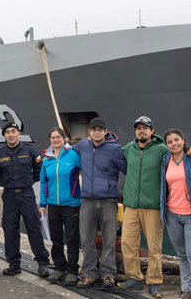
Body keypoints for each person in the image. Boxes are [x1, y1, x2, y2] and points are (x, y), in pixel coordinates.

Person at [120, 116, 191, 297]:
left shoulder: (162, 149)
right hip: (131, 205)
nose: (141, 131)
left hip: (152, 206)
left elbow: (178, 151)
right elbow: (110, 153)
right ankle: (135, 277)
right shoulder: (128, 149)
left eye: (145, 128)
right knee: (127, 243)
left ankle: (154, 281)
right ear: (135, 132)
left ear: (152, 131)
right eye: (138, 128)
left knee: (154, 246)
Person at [72, 117, 126, 289]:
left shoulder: (115, 149)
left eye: (99, 130)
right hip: (87, 199)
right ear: (89, 132)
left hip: (108, 200)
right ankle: (89, 273)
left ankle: (108, 274)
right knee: (87, 240)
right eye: (93, 129)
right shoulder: (82, 146)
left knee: (109, 240)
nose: (96, 132)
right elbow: (64, 150)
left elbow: (128, 169)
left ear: (105, 131)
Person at [0, 122, 50, 277]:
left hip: (26, 194)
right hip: (9, 195)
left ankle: (42, 263)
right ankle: (14, 263)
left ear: (18, 133)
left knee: (34, 227)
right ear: (4, 135)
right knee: (10, 230)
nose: (10, 134)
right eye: (7, 132)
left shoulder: (30, 151)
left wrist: (28, 182)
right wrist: (5, 183)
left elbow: (39, 171)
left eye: (13, 131)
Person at [160, 129, 191, 299]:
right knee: (182, 254)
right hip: (172, 214)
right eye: (170, 141)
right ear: (167, 145)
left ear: (183, 140)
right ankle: (187, 289)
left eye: (177, 140)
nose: (174, 144)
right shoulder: (166, 160)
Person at [39, 127, 81, 285]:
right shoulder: (47, 159)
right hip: (52, 205)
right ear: (50, 140)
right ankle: (59, 267)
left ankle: (72, 270)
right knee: (56, 238)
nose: (55, 140)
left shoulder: (73, 155)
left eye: (58, 137)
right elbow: (44, 182)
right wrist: (43, 203)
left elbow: (87, 171)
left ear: (64, 138)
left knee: (72, 238)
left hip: (72, 204)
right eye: (52, 137)